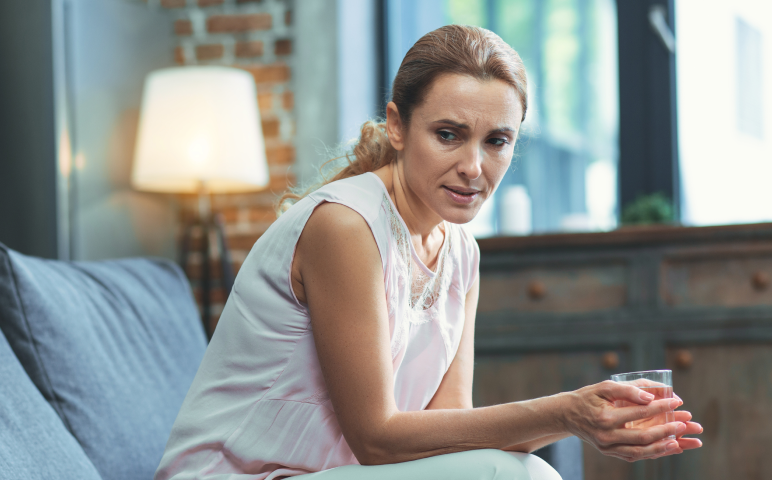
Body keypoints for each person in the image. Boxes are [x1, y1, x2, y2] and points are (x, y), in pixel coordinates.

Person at [154, 24, 702, 480]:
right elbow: (376, 438)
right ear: (397, 126)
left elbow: (451, 435)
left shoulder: (460, 252)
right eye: (448, 134)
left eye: (496, 141)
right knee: (519, 476)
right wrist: (566, 413)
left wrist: (587, 421)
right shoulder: (345, 226)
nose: (474, 166)